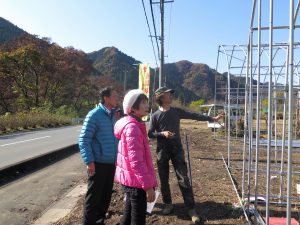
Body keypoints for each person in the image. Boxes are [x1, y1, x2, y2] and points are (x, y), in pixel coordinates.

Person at [148, 86, 224, 224]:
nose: (171, 96)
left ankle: (191, 208)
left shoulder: (176, 112)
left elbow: (193, 115)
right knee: (163, 178)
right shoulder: (155, 116)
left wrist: (211, 118)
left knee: (183, 178)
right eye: (168, 94)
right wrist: (162, 134)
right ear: (160, 97)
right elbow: (150, 133)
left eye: (171, 93)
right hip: (162, 150)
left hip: (177, 149)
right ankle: (167, 204)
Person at [114, 89, 158, 225]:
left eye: (146, 102)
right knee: (138, 219)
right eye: (143, 103)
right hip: (136, 182)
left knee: (128, 216)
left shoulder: (132, 124)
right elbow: (137, 162)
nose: (147, 106)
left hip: (131, 179)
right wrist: (148, 187)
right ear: (132, 108)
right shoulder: (133, 127)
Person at [78, 86, 120, 225]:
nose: (117, 98)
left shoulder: (113, 115)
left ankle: (99, 221)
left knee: (105, 197)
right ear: (106, 98)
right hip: (97, 163)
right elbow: (84, 140)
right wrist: (89, 161)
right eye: (114, 96)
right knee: (93, 199)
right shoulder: (94, 114)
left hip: (110, 164)